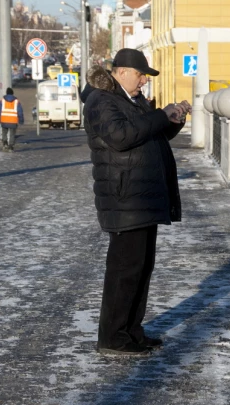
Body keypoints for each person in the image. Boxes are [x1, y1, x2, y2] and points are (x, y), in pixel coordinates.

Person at [80, 48, 191, 357]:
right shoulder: (100, 101)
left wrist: (173, 120)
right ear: (123, 72)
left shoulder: (130, 100)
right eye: (142, 75)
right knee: (124, 270)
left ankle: (131, 331)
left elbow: (149, 135)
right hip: (125, 197)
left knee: (141, 268)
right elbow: (122, 136)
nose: (144, 81)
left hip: (142, 196)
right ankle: (112, 337)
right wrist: (159, 115)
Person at [0, 88, 24, 152]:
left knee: (4, 133)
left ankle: (5, 144)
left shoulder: (2, 100)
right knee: (12, 134)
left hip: (4, 120)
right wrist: (21, 120)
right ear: (12, 93)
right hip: (13, 121)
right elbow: (20, 111)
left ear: (6, 93)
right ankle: (11, 147)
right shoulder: (16, 101)